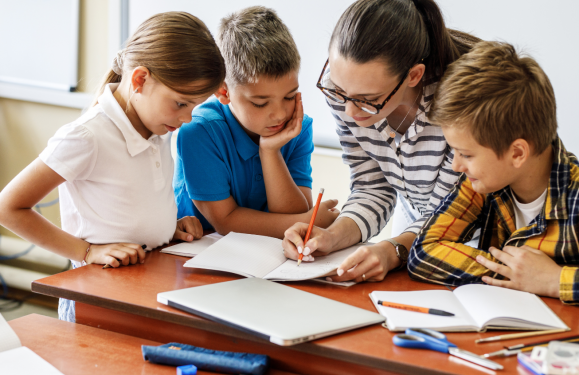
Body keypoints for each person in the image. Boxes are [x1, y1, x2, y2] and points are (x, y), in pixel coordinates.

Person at [0, 12, 226, 321]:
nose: (186, 119)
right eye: (182, 103)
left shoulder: (157, 125)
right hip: (97, 292)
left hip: (146, 280)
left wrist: (167, 226)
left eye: (195, 107)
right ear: (140, 80)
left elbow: (130, 200)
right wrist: (87, 252)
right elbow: (7, 209)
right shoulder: (87, 136)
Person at [282, 0, 480, 281]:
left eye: (368, 100)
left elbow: (452, 213)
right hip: (415, 225)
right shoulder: (346, 93)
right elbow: (372, 186)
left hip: (481, 232)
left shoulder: (458, 102)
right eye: (339, 90)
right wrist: (332, 236)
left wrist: (392, 250)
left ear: (414, 76)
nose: (349, 111)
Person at [409, 41, 578, 304]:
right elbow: (424, 252)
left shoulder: (574, 195)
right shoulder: (483, 181)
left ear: (517, 153)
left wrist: (555, 280)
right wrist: (515, 275)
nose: (457, 166)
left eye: (466, 154)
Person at [174, 6, 339, 242]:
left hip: (261, 254)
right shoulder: (199, 131)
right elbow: (225, 221)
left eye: (290, 97)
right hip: (193, 253)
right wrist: (307, 221)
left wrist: (270, 151)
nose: (280, 114)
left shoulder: (298, 127)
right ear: (223, 91)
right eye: (261, 103)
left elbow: (292, 214)